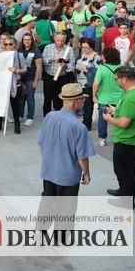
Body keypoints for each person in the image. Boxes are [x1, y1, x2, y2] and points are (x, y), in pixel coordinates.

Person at [36, 83, 94, 233]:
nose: (84, 102)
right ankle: (60, 238)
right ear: (76, 102)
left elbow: (41, 143)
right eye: (82, 99)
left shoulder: (49, 116)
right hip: (68, 177)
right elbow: (82, 157)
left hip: (48, 172)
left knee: (48, 203)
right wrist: (86, 173)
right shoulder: (79, 127)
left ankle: (40, 233)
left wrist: (48, 161)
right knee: (66, 210)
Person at [103, 66, 135, 209]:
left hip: (128, 140)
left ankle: (127, 201)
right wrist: (116, 110)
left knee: (124, 171)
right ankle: (123, 191)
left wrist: (108, 118)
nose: (116, 81)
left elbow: (124, 123)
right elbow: (134, 114)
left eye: (117, 79)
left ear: (124, 79)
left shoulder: (131, 98)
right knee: (129, 169)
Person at [41, 32, 75, 116]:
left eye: (62, 41)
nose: (60, 42)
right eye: (58, 40)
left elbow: (72, 64)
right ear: (54, 39)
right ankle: (47, 116)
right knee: (47, 97)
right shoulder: (48, 47)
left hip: (63, 77)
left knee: (60, 97)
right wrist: (51, 60)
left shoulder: (69, 49)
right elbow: (43, 60)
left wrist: (66, 66)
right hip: (49, 75)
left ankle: (59, 116)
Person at [19, 32, 42, 126]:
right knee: (21, 98)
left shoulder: (35, 51)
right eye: (25, 40)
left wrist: (36, 81)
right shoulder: (19, 50)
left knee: (30, 97)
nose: (26, 41)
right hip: (20, 78)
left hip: (30, 78)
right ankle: (20, 115)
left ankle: (30, 117)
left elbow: (39, 67)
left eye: (28, 39)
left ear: (31, 40)